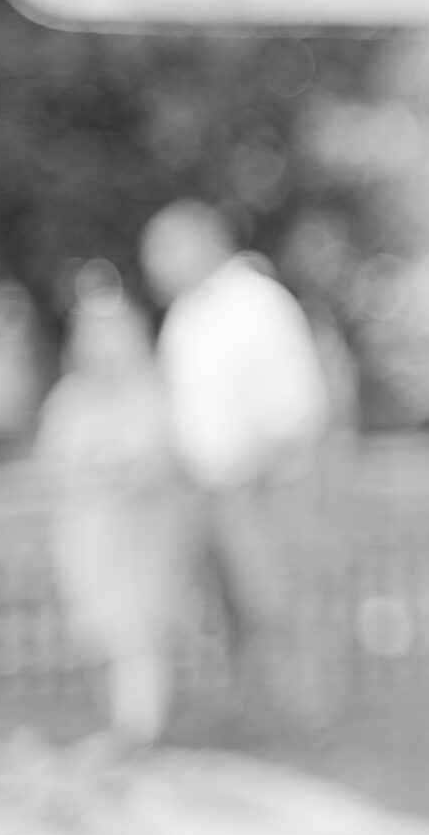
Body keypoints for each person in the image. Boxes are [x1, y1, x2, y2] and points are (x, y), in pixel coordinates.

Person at [141, 199, 334, 722]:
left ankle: (305, 711)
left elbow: (293, 398)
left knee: (281, 595)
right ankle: (253, 708)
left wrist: (264, 465)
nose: (153, 264)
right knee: (228, 605)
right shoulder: (185, 314)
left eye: (163, 249)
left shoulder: (257, 301)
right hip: (206, 487)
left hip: (262, 485)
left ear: (202, 243)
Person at [34, 263, 187, 749]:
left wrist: (108, 472)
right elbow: (53, 465)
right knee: (101, 631)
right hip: (88, 535)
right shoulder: (69, 398)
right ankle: (118, 724)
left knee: (137, 631)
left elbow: (156, 461)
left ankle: (138, 727)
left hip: (138, 536)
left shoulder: (150, 393)